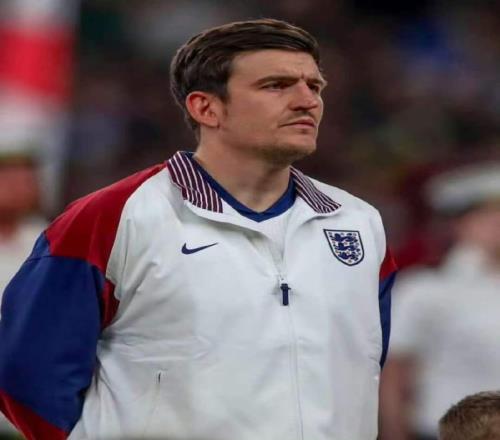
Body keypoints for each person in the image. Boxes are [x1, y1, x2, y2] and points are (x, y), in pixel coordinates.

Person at [0, 19, 396, 440]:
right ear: (206, 108)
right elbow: (25, 372)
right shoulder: (115, 216)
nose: (307, 101)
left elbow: (361, 370)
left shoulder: (358, 223)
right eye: (276, 86)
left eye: (314, 86)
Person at [379, 162, 500, 440]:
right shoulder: (425, 289)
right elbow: (395, 375)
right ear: (461, 224)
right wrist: (395, 432)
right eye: (489, 216)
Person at [0, 153, 46, 438]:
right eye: (8, 180)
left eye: (26, 181)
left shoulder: (50, 240)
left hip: (26, 402)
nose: (18, 189)